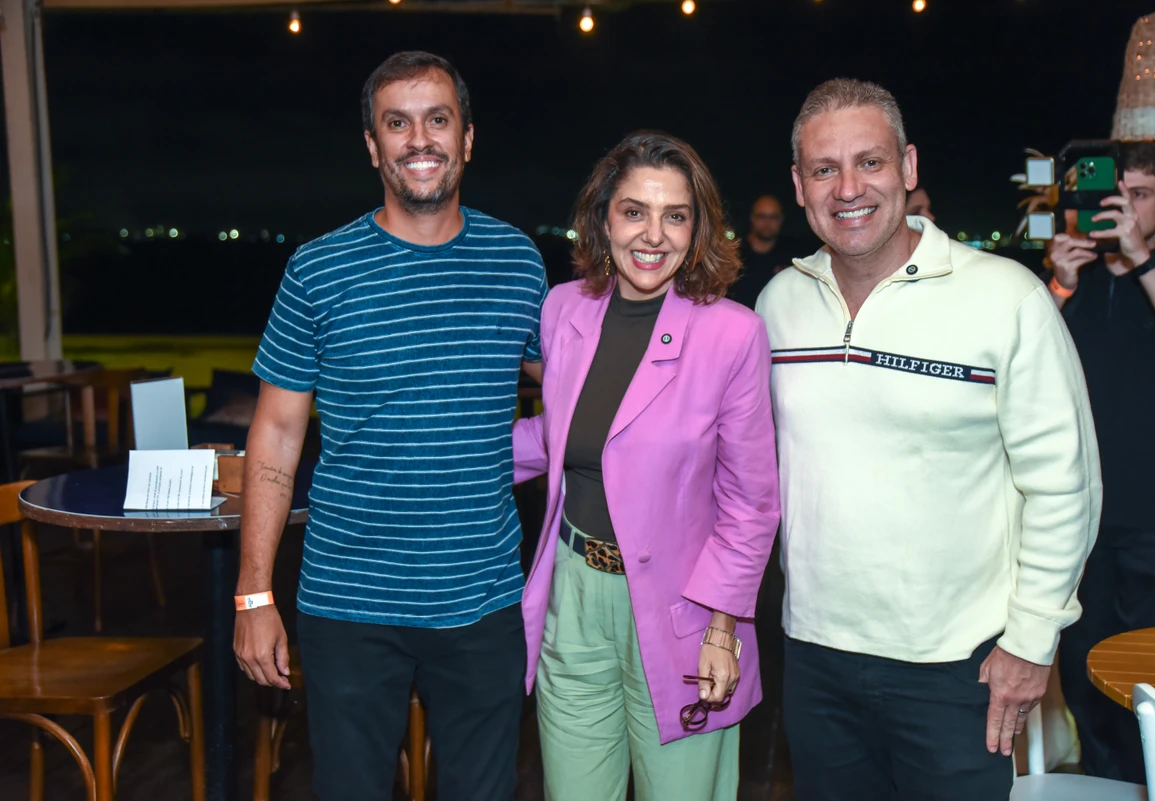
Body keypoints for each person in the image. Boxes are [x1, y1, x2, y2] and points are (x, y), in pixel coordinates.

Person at [756, 78, 1101, 801]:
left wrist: (1032, 640)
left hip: (961, 667)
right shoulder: (778, 304)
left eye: (870, 162)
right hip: (816, 658)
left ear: (908, 168)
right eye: (825, 169)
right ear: (799, 185)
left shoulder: (1007, 297)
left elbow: (1066, 484)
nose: (849, 187)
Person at [232, 51, 546, 801]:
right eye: (396, 123)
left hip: (482, 597)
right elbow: (275, 432)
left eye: (438, 120)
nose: (419, 139)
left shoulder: (519, 263)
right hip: (348, 602)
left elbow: (574, 399)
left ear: (467, 138)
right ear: (373, 146)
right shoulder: (318, 269)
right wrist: (253, 595)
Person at [512, 131, 780, 801]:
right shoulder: (563, 309)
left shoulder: (732, 333)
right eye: (634, 211)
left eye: (675, 215)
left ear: (698, 228)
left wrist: (724, 628)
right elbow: (570, 435)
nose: (653, 234)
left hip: (686, 612)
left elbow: (751, 503)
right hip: (573, 599)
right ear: (603, 218)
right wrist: (449, 454)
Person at [1045, 142, 1155, 783]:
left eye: (1138, 197)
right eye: (1113, 195)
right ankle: (1112, 788)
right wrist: (1057, 284)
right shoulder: (1061, 281)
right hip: (1077, 517)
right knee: (1086, 681)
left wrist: (1143, 260)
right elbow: (1005, 367)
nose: (1122, 210)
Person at [727, 195, 807, 308]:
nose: (767, 222)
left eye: (773, 217)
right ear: (752, 218)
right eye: (761, 216)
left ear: (781, 219)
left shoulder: (795, 255)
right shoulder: (733, 254)